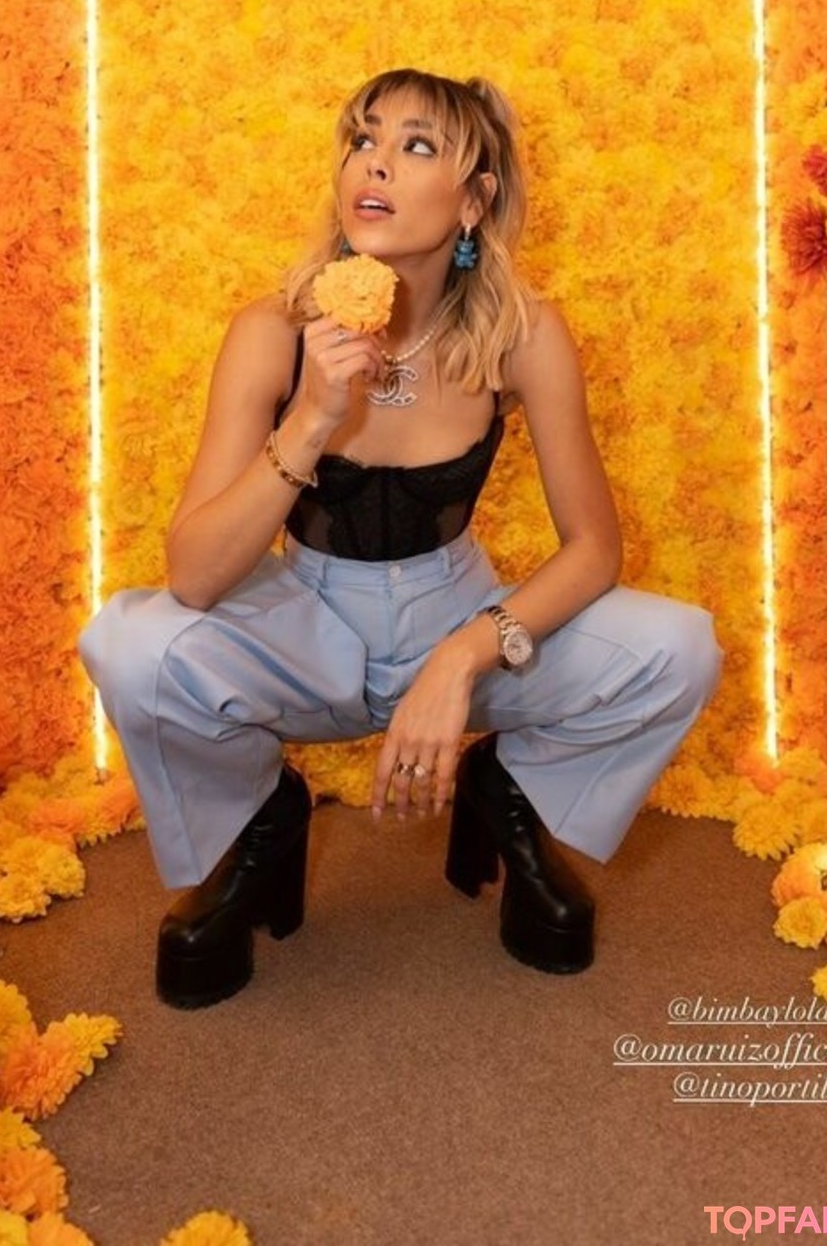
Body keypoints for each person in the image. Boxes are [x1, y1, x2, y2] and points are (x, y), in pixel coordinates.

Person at [80, 68, 721, 1009]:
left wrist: (464, 655)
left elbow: (595, 549)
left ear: (474, 201)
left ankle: (513, 794)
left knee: (680, 647)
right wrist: (310, 416)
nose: (374, 164)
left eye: (416, 146)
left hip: (456, 612)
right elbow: (195, 575)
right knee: (130, 641)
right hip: (299, 626)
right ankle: (258, 818)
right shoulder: (272, 330)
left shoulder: (524, 336)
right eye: (363, 139)